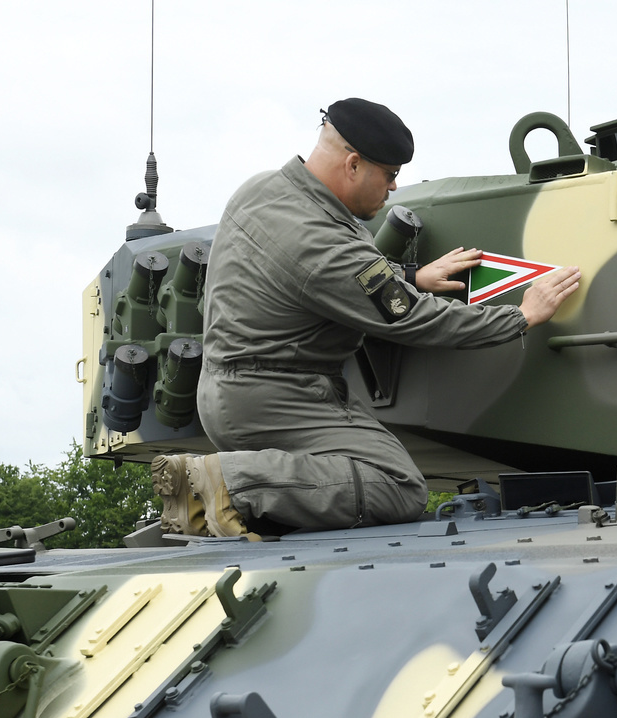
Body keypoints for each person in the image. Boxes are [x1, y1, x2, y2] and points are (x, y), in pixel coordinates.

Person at [152, 98, 581, 537]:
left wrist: (409, 275)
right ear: (354, 164)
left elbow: (315, 276)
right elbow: (413, 318)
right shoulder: (324, 242)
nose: (394, 188)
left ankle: (230, 500)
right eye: (390, 174)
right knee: (399, 486)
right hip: (281, 398)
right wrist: (521, 315)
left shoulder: (262, 190)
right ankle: (227, 482)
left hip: (228, 391)